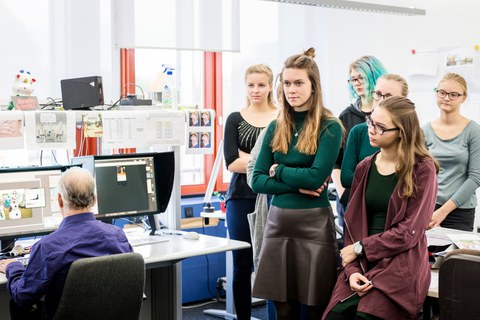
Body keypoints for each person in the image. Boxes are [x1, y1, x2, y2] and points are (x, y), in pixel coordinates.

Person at [323, 96, 439, 320]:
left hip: (400, 265)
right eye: (370, 121)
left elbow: (409, 233)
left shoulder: (423, 169)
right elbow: (351, 226)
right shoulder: (364, 167)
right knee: (335, 316)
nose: (371, 130)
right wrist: (353, 270)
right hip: (363, 261)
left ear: (402, 132)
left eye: (380, 127)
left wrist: (360, 248)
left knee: (366, 316)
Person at [251, 48, 342, 319]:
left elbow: (316, 177)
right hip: (279, 224)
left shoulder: (330, 126)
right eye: (287, 83)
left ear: (313, 85)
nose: (292, 89)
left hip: (314, 226)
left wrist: (278, 170)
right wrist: (297, 183)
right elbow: (257, 180)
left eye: (299, 83)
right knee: (283, 309)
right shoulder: (275, 127)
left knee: (315, 307)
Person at [0, 167, 132, 320]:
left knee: (18, 306)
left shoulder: (48, 247)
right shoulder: (118, 236)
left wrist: (13, 267)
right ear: (94, 199)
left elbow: (23, 295)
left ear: (60, 200)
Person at [223, 63, 278, 320]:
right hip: (240, 197)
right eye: (251, 85)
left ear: (270, 86)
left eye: (261, 85)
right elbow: (232, 162)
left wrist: (252, 160)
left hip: (274, 196)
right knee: (242, 265)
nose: (255, 90)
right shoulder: (235, 118)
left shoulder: (281, 118)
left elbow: (287, 160)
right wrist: (267, 163)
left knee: (272, 264)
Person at [333, 56, 387, 228]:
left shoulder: (389, 115)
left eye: (360, 77)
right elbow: (337, 162)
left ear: (374, 76)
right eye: (353, 79)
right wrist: (344, 196)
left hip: (381, 200)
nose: (356, 83)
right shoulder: (346, 116)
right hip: (350, 198)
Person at [424, 73, 480, 231]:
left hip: (460, 211)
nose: (446, 98)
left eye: (453, 94)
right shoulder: (425, 131)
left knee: (454, 256)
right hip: (428, 207)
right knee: (427, 256)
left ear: (463, 98)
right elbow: (418, 174)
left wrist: (443, 211)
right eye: (442, 92)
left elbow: (475, 177)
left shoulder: (474, 131)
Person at [340, 74, 409, 195]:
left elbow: (414, 180)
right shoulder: (359, 131)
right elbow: (346, 178)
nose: (381, 101)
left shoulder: (412, 134)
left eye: (388, 96)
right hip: (361, 206)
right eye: (378, 94)